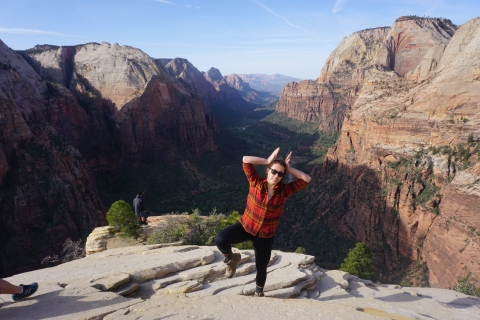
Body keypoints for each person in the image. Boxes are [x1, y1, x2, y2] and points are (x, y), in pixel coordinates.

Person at [215, 147, 311, 297]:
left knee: (261, 266)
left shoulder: (284, 191)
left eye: (280, 173)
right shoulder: (256, 182)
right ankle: (232, 259)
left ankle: (258, 293)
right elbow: (245, 159)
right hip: (246, 227)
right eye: (273, 171)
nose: (276, 175)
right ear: (268, 170)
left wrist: (288, 168)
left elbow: (306, 179)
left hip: (265, 236)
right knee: (220, 239)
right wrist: (267, 160)